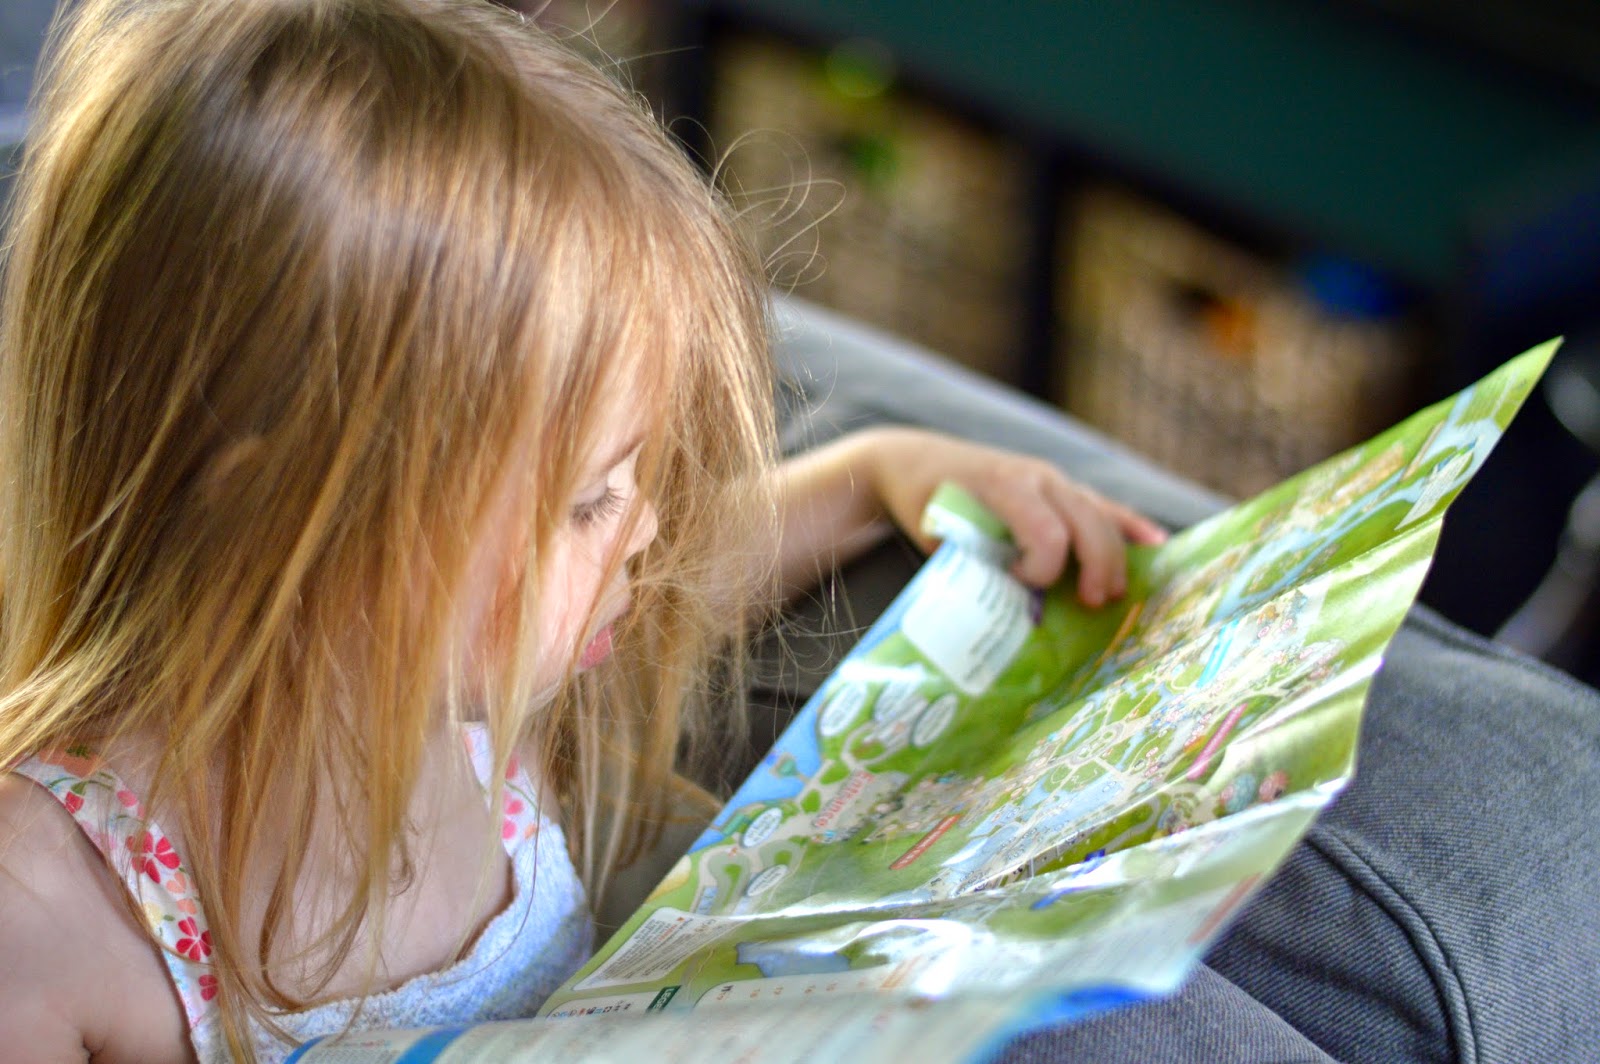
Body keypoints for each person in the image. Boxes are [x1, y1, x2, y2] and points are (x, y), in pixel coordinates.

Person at [0, 2, 1167, 1061]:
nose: (646, 527)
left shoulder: (462, 695)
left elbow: (688, 590)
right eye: (587, 501)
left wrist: (877, 475)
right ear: (286, 518)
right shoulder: (47, 915)